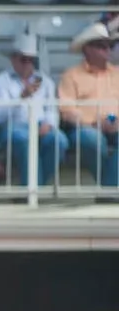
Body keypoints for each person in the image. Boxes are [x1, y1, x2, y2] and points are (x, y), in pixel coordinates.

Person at [0, 33, 66, 188]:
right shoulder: (0, 81)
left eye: (31, 60)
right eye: (23, 59)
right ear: (13, 59)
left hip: (39, 124)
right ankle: (32, 191)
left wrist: (49, 124)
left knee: (59, 140)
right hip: (12, 126)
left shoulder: (45, 81)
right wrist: (21, 98)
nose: (28, 64)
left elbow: (52, 109)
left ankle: (32, 189)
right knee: (25, 139)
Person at [59, 22, 119, 189]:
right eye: (101, 46)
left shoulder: (117, 74)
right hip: (84, 127)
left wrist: (114, 120)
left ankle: (107, 190)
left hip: (115, 124)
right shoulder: (71, 75)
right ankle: (110, 188)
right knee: (90, 139)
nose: (107, 49)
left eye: (110, 45)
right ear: (87, 49)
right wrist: (94, 124)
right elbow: (67, 110)